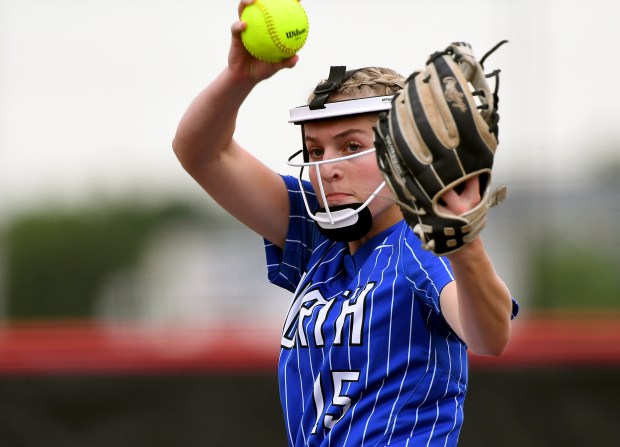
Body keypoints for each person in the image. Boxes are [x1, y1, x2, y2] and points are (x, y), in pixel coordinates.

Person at [173, 2, 518, 445]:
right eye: (315, 151)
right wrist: (239, 79)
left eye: (350, 145)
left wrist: (465, 245)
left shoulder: (423, 244)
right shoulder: (319, 233)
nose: (327, 167)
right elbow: (202, 152)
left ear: (407, 153)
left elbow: (489, 337)